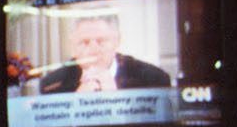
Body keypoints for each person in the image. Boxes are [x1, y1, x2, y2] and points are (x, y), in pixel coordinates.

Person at [35, 15, 171, 94]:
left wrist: (115, 99)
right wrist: (75, 105)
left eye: (101, 41)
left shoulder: (154, 79)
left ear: (117, 42)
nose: (94, 50)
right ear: (73, 47)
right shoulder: (52, 84)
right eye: (85, 42)